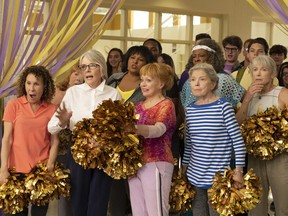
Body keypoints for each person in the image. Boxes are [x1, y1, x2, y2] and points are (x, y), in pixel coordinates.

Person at [48, 49, 122, 216]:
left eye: (92, 65)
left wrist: (103, 141)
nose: (87, 70)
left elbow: (120, 129)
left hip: (104, 152)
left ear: (102, 68)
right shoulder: (73, 92)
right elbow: (51, 127)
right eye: (83, 67)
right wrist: (63, 121)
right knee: (78, 200)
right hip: (78, 151)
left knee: (99, 200)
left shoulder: (113, 94)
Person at [183, 63, 246, 216]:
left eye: (202, 79)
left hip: (219, 177)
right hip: (194, 175)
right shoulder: (190, 109)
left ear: (213, 83)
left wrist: (238, 171)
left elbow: (238, 142)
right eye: (193, 79)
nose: (196, 83)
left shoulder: (223, 106)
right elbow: (189, 144)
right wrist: (184, 169)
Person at [0, 65, 58, 216]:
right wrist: (3, 168)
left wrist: (50, 166)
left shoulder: (52, 109)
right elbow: (6, 139)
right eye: (28, 83)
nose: (31, 88)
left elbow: (54, 141)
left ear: (44, 87)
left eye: (36, 84)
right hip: (16, 172)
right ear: (24, 85)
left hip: (41, 172)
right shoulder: (13, 105)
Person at [236, 55, 288, 216]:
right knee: (255, 204)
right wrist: (247, 100)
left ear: (273, 74)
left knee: (283, 203)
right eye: (255, 70)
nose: (258, 74)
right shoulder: (248, 95)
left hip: (279, 155)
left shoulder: (282, 93)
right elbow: (238, 122)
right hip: (254, 155)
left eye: (263, 70)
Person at [106, 45, 155, 216]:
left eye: (141, 59)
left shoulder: (147, 86)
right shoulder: (113, 79)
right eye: (133, 57)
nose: (135, 61)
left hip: (136, 144)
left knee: (134, 195)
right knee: (115, 194)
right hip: (112, 143)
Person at [128, 62, 176, 216]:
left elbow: (158, 130)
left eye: (148, 80)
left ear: (161, 83)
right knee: (138, 212)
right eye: (142, 80)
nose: (143, 84)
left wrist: (132, 128)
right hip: (135, 164)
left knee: (156, 212)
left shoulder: (166, 104)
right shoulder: (138, 106)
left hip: (157, 161)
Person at [51, 62, 83, 216]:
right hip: (59, 145)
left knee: (75, 188)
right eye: (76, 73)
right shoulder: (59, 92)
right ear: (68, 75)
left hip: (77, 145)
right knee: (64, 187)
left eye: (81, 74)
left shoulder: (83, 93)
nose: (79, 77)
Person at [181, 38, 245, 110]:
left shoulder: (224, 79)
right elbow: (183, 108)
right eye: (194, 56)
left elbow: (244, 99)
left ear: (212, 57)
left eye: (201, 56)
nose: (196, 59)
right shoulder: (188, 82)